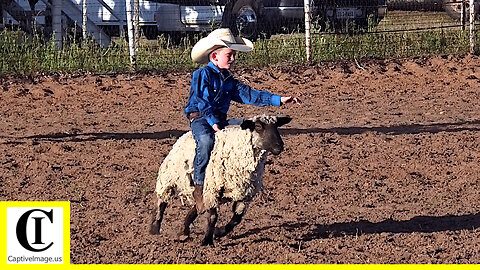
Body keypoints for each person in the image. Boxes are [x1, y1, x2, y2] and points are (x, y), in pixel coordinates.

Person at [185, 28, 301, 213]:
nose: (232, 59)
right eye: (229, 55)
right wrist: (213, 121)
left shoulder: (229, 80)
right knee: (206, 141)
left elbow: (250, 95)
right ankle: (199, 185)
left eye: (233, 55)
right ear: (215, 56)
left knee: (248, 129)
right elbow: (201, 101)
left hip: (220, 119)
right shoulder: (201, 75)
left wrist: (279, 99)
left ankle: (234, 177)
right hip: (200, 118)